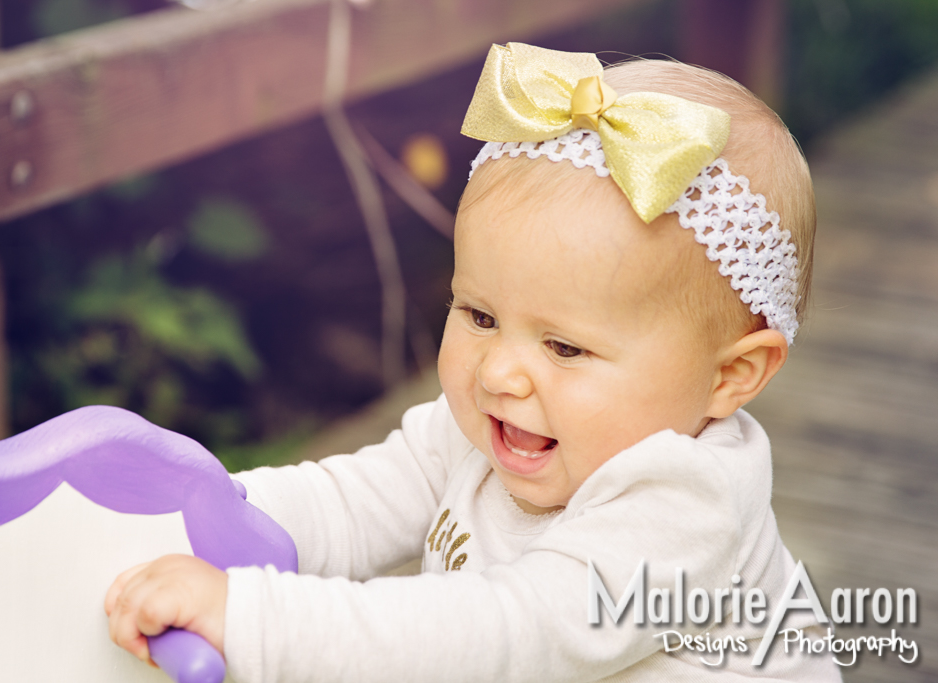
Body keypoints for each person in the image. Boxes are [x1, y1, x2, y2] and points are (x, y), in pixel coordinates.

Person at [106, 43, 843, 682]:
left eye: (564, 346)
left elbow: (497, 634)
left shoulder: (687, 510)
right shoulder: (491, 421)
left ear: (730, 376)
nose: (499, 373)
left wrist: (253, 618)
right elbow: (352, 500)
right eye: (480, 316)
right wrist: (206, 516)